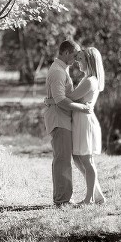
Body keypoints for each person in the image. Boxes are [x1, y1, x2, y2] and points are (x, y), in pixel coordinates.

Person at [43, 39, 92, 206]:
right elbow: (60, 101)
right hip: (59, 119)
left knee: (63, 158)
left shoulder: (62, 69)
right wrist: (81, 108)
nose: (76, 59)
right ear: (65, 53)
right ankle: (62, 200)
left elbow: (60, 98)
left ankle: (63, 198)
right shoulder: (57, 72)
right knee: (62, 159)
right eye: (74, 55)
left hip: (63, 118)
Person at [69, 47, 106, 204]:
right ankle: (98, 195)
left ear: (90, 61)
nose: (78, 62)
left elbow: (70, 97)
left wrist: (54, 97)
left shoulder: (90, 81)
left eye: (81, 59)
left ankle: (89, 198)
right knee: (77, 157)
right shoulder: (86, 79)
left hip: (85, 123)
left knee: (86, 160)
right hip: (80, 121)